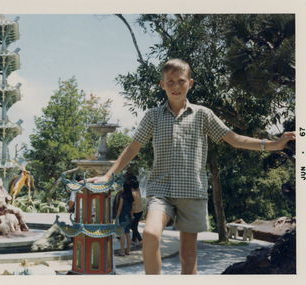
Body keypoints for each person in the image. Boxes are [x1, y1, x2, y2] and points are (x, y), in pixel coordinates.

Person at [85, 58, 296, 274]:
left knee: (188, 258)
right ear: (162, 84)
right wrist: (108, 176)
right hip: (161, 191)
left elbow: (234, 139)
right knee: (150, 234)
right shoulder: (153, 116)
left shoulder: (203, 115)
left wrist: (273, 145)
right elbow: (133, 147)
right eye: (170, 82)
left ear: (190, 83)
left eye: (181, 81)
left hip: (192, 192)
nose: (176, 86)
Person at [115, 180, 134, 256]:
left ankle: (122, 251)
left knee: (122, 233)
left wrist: (116, 217)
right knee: (128, 233)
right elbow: (132, 208)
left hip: (123, 216)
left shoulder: (123, 196)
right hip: (129, 216)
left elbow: (120, 208)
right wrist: (132, 216)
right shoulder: (131, 197)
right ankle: (128, 251)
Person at [129, 176, 143, 247]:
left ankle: (140, 240)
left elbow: (132, 205)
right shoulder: (138, 190)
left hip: (135, 212)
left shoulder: (132, 193)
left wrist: (131, 215)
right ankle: (133, 240)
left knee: (132, 227)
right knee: (135, 226)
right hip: (140, 211)